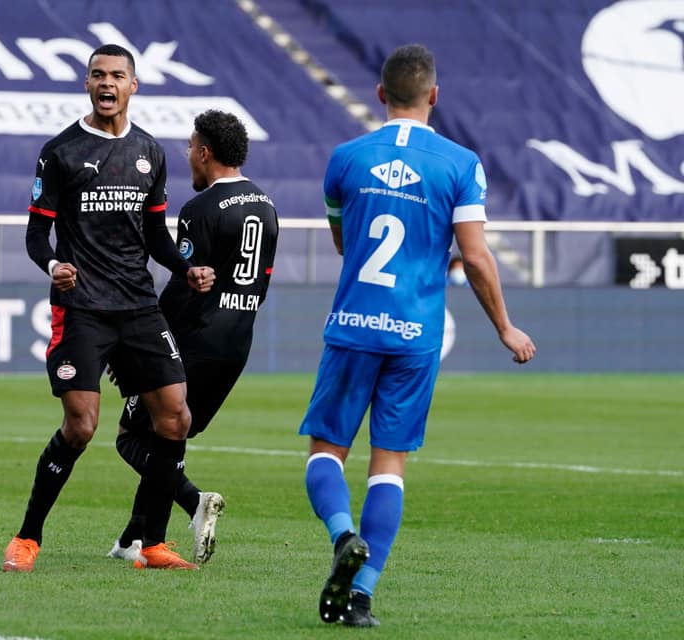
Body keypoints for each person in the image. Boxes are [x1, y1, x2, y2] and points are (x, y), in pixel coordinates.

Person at [299, 44, 536, 627]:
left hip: (354, 326)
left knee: (326, 452)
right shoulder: (461, 163)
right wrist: (505, 326)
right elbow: (475, 257)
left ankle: (343, 535)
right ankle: (361, 597)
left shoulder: (345, 159)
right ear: (434, 95)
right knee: (389, 465)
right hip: (414, 334)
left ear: (380, 94)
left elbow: (344, 242)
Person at [3, 43, 216, 573]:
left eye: (117, 75)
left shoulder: (150, 152)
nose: (107, 83)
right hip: (82, 307)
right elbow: (36, 235)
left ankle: (153, 544)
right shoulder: (60, 152)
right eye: (98, 75)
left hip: (138, 305)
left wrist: (185, 268)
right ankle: (27, 538)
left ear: (132, 85)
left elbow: (156, 235)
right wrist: (54, 264)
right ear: (87, 84)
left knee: (176, 417)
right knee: (81, 425)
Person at [106, 110, 279, 566]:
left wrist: (138, 343)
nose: (187, 155)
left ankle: (193, 500)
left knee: (130, 438)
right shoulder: (266, 205)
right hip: (236, 344)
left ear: (205, 152)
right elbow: (261, 284)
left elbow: (184, 285)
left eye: (189, 147)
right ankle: (132, 539)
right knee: (168, 438)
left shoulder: (200, 209)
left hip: (192, 344)